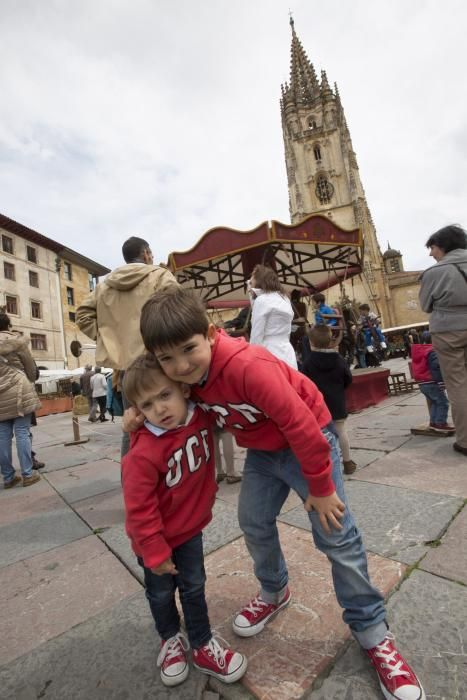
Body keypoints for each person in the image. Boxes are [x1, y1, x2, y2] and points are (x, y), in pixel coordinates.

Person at [133, 286, 425, 700]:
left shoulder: (248, 366)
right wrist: (135, 412)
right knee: (252, 520)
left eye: (188, 350)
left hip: (309, 439)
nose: (180, 366)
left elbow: (303, 426)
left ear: (212, 334)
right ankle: (275, 590)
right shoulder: (186, 379)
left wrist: (321, 488)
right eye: (168, 358)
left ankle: (373, 631)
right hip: (264, 451)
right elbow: (150, 383)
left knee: (336, 535)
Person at [121, 353, 247, 687]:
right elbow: (138, 508)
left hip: (189, 531)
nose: (160, 409)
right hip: (154, 540)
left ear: (183, 390)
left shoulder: (200, 417)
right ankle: (170, 640)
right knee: (160, 593)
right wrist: (154, 550)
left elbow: (217, 391)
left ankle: (202, 643)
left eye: (165, 395)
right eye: (147, 405)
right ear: (138, 410)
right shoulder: (142, 454)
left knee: (194, 587)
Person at [76, 236, 177, 455]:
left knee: (133, 426)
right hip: (159, 362)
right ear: (146, 254)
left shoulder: (103, 287)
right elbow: (179, 310)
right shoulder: (160, 276)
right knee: (172, 420)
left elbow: (82, 315)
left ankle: (133, 482)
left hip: (127, 369)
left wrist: (111, 341)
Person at [419, 223, 467, 456]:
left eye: (433, 248)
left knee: (457, 385)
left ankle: (466, 440)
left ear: (443, 246)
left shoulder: (433, 273)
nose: (431, 253)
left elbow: (426, 305)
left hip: (449, 332)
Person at [302, 324, 357, 474]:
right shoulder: (338, 359)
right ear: (330, 340)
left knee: (321, 436)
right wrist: (339, 389)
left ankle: (327, 464)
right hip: (337, 402)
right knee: (341, 432)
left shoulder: (308, 363)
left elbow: (305, 384)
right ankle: (347, 462)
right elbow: (348, 378)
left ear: (311, 342)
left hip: (318, 406)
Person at [0, 311, 41, 488]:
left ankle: (8, 478)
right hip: (19, 388)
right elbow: (30, 367)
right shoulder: (16, 341)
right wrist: (30, 378)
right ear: (8, 325)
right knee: (23, 431)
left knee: (2, 436)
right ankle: (27, 474)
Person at [248, 264, 297, 369]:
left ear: (259, 280)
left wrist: (252, 359)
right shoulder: (284, 298)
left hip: (270, 352)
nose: (250, 284)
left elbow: (256, 335)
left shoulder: (261, 300)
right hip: (287, 351)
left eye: (251, 281)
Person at [411, 339, 454, 433]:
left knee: (435, 402)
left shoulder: (420, 351)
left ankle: (433, 422)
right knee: (443, 402)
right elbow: (436, 368)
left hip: (422, 383)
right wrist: (441, 382)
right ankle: (440, 423)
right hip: (431, 382)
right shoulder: (432, 351)